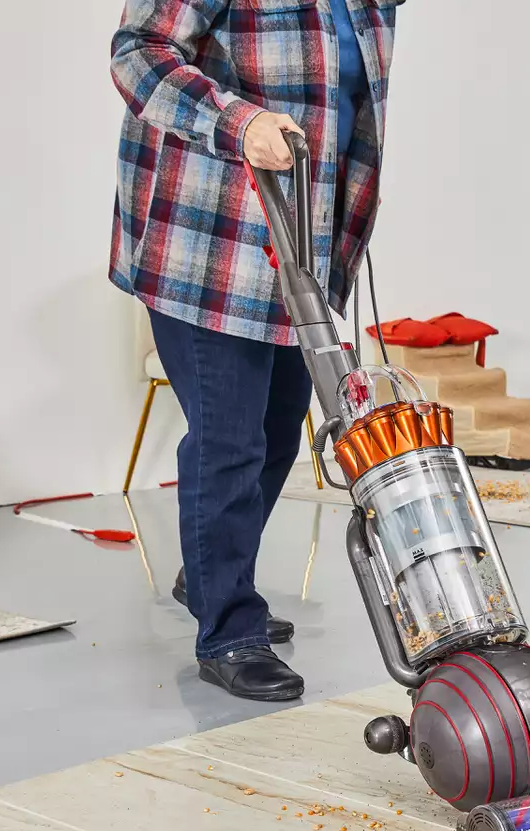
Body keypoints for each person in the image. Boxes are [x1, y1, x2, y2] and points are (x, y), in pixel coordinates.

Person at [109, 0, 401, 702]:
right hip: (205, 237)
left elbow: (350, 110)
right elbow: (137, 53)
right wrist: (238, 123)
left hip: (296, 243)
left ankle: (206, 574)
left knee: (276, 433)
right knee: (228, 439)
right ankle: (228, 630)